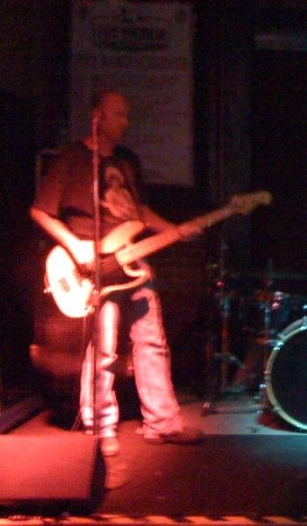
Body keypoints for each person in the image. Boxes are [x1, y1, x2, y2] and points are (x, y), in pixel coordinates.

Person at [30, 89, 204, 457]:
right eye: (118, 115)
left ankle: (162, 423)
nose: (125, 122)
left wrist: (174, 229)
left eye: (127, 115)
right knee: (105, 346)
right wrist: (75, 246)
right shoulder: (73, 159)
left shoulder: (127, 161)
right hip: (92, 265)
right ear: (98, 117)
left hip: (131, 261)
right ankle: (100, 425)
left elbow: (138, 212)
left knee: (152, 341)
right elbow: (40, 211)